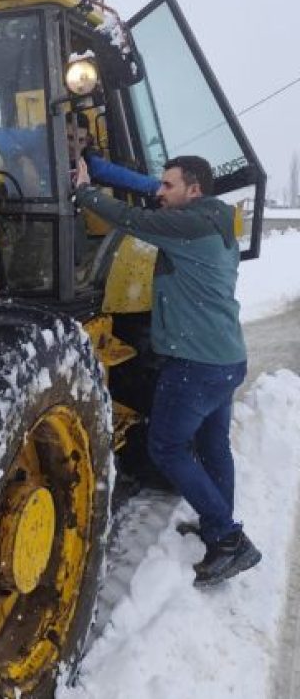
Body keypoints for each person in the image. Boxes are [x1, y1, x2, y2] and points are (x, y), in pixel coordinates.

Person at [75, 154, 259, 587]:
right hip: (226, 358)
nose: (159, 192)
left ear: (194, 189)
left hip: (195, 364)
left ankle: (229, 539)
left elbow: (130, 219)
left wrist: (84, 191)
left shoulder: (188, 226)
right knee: (214, 446)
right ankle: (219, 525)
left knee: (166, 447)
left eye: (168, 185)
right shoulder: (218, 220)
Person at [0, 112, 160, 196]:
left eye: (81, 140)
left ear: (88, 141)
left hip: (59, 222)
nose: (74, 146)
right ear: (57, 135)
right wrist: (21, 158)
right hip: (21, 208)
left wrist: (161, 187)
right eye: (69, 138)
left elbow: (126, 177)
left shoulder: (88, 164)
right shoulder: (37, 141)